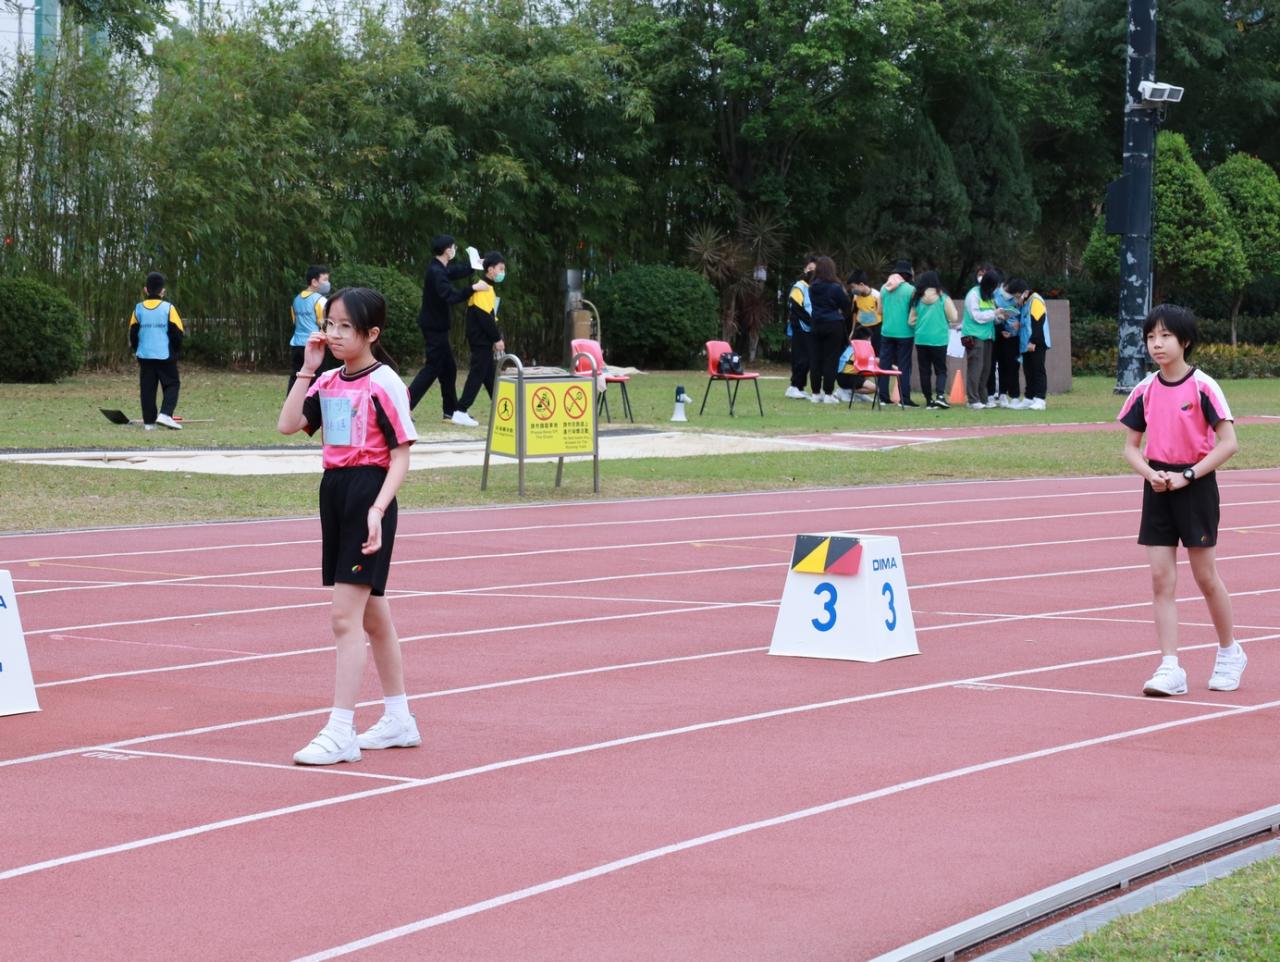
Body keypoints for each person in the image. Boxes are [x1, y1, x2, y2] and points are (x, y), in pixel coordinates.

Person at [278, 287, 422, 764]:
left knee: (345, 618)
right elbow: (288, 424)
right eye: (330, 324)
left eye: (345, 326)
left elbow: (401, 456)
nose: (334, 334)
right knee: (373, 616)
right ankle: (399, 719)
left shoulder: (385, 383)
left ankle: (341, 729)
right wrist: (307, 368)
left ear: (371, 333)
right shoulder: (328, 381)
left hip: (368, 494)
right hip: (335, 492)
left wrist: (377, 509)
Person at [1117, 304, 1244, 698]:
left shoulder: (1203, 386)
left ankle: (1229, 652)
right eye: (1151, 337)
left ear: (1185, 341)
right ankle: (1170, 666)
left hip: (1196, 486)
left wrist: (1188, 475)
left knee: (1205, 577)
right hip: (1158, 488)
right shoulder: (1144, 389)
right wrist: (1150, 473)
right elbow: (1130, 447)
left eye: (1166, 336)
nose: (1157, 344)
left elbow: (1229, 443)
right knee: (1161, 579)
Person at [408, 235, 489, 425]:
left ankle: (450, 412)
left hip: (438, 326)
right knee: (432, 368)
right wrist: (473, 288)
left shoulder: (439, 268)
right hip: (434, 327)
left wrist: (474, 265)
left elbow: (455, 271)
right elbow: (450, 296)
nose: (454, 250)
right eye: (453, 247)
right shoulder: (436, 272)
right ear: (447, 250)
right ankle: (403, 407)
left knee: (449, 369)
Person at [129, 271, 184, 431]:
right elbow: (178, 333)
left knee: (147, 389)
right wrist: (175, 352)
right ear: (163, 291)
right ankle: (165, 414)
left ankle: (149, 423)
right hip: (165, 355)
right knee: (172, 384)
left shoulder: (138, 309)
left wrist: (137, 350)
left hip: (145, 356)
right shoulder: (169, 308)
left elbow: (133, 333)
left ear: (146, 290)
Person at [455, 252, 507, 420]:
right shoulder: (483, 287)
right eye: (500, 269)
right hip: (480, 339)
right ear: (490, 270)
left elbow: (490, 316)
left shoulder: (488, 288)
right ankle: (461, 410)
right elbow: (485, 318)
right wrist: (496, 339)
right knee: (477, 374)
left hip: (483, 339)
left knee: (488, 375)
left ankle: (501, 409)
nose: (503, 272)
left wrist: (495, 337)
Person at [908, 270, 959, 409]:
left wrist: (921, 324)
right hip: (939, 339)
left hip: (921, 339)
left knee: (924, 370)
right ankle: (940, 396)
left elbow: (911, 321)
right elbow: (954, 317)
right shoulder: (943, 298)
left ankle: (928, 399)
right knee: (940, 369)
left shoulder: (917, 299)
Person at [960, 268, 1009, 409]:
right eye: (994, 286)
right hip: (974, 336)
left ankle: (983, 398)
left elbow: (991, 316)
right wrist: (994, 313)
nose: (995, 289)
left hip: (988, 336)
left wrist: (1001, 317)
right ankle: (973, 400)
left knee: (986, 368)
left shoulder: (989, 296)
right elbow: (977, 316)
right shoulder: (973, 294)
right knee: (975, 368)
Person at [806, 255, 852, 404]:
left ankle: (815, 393)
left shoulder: (812, 287)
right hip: (833, 324)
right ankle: (828, 393)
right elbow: (846, 304)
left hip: (816, 324)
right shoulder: (835, 287)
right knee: (831, 359)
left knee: (815, 359)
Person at [1005, 278, 1050, 410]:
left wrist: (1033, 342)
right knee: (1028, 371)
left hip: (1036, 342)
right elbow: (1026, 323)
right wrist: (1015, 329)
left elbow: (1038, 322)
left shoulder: (1035, 300)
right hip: (1025, 343)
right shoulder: (1025, 302)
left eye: (1016, 296)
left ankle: (1040, 399)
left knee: (1038, 370)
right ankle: (1029, 398)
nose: (1015, 300)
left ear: (1023, 293)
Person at [287, 264, 332, 395]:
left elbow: (295, 321)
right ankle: (314, 405)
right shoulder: (321, 300)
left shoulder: (296, 300)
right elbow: (325, 325)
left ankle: (291, 403)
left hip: (296, 345)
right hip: (314, 346)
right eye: (325, 280)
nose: (328, 283)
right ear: (314, 282)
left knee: (297, 377)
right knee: (317, 379)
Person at [879, 259, 917, 407]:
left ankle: (883, 397)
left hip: (887, 331)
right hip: (905, 333)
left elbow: (880, 310)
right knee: (904, 366)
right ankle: (905, 399)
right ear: (907, 275)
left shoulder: (884, 288)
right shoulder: (910, 290)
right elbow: (913, 312)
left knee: (884, 365)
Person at [784, 256, 816, 399]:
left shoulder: (814, 287)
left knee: (808, 359)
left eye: (815, 269)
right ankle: (793, 386)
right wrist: (810, 322)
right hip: (800, 328)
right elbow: (796, 308)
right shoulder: (799, 286)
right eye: (810, 269)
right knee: (800, 358)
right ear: (804, 270)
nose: (812, 272)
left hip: (810, 328)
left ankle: (800, 387)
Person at [992, 279, 1023, 407]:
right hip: (999, 334)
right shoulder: (994, 294)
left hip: (1014, 336)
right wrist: (1001, 329)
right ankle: (1001, 393)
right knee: (1000, 365)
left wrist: (1019, 325)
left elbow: (1022, 315)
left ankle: (1014, 396)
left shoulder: (1018, 298)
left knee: (1013, 366)